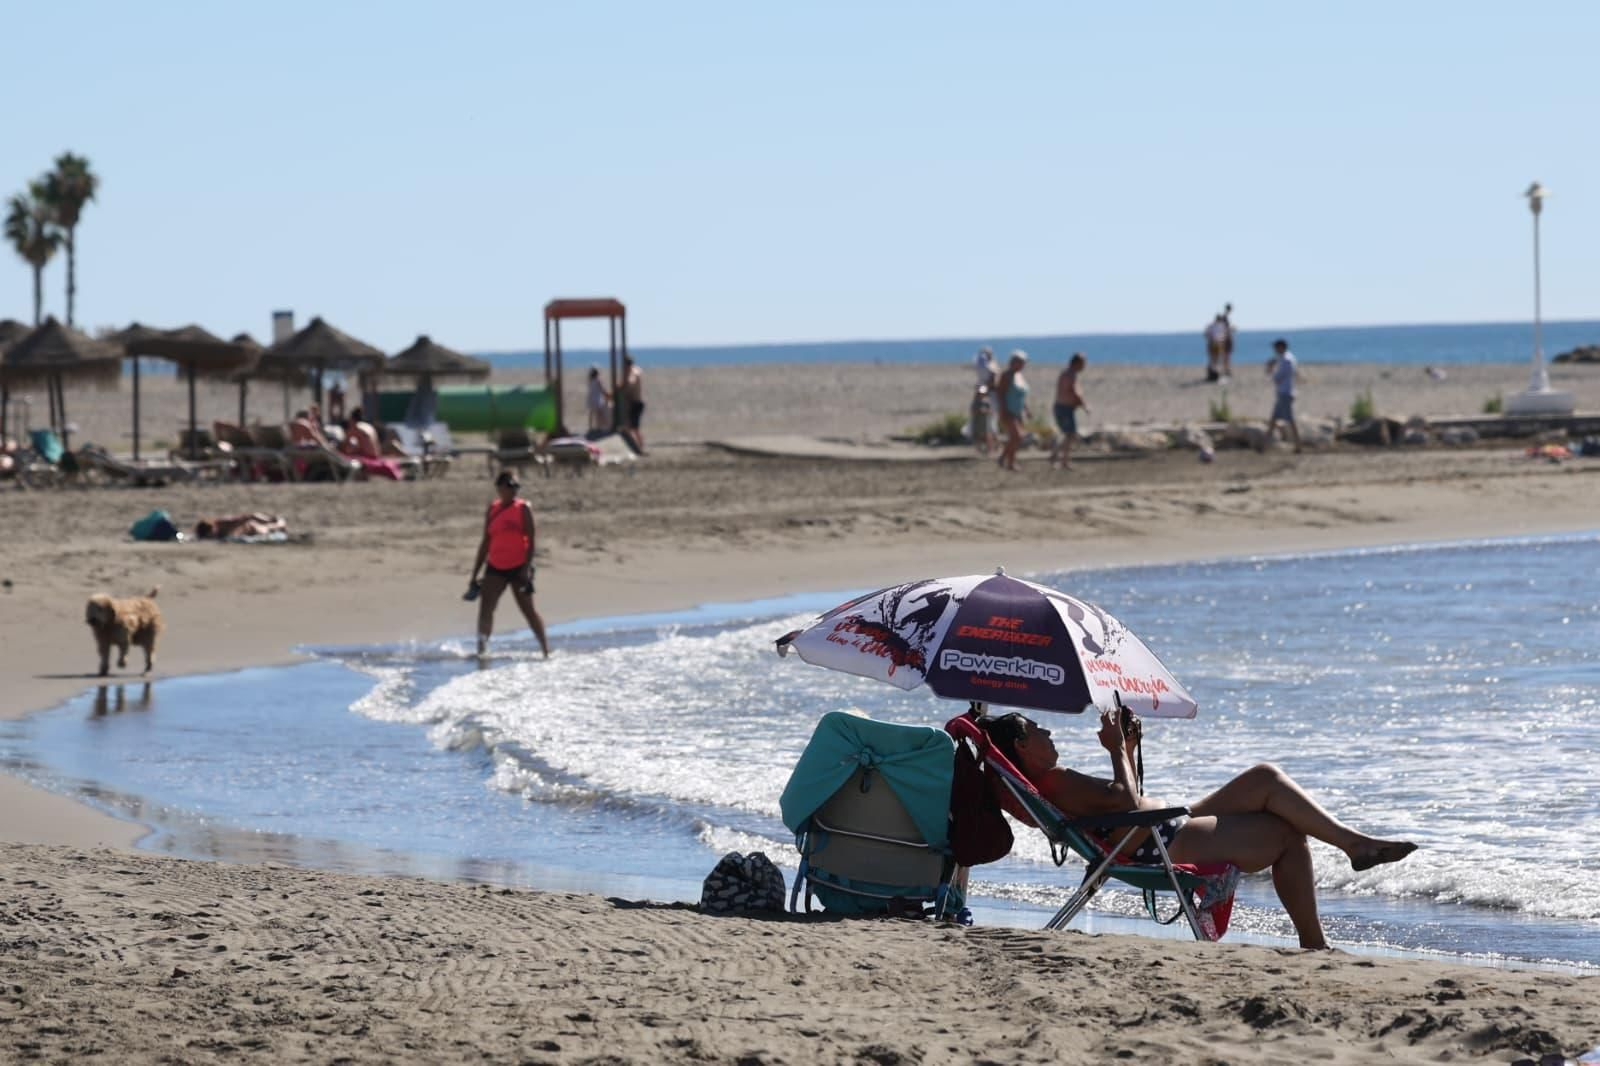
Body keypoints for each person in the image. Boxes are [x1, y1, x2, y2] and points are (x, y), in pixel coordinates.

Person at [979, 710, 1417, 949]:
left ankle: (1353, 844)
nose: (1048, 731)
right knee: (1286, 834)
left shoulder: (1052, 782)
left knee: (1264, 778)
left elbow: (1120, 805)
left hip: (1161, 828)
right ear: (1021, 747)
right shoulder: (1058, 780)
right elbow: (1126, 801)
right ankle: (1315, 939)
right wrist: (1118, 751)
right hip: (1163, 842)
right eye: (1037, 730)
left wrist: (1128, 750)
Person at [468, 471, 549, 660]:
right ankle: (482, 651)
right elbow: (485, 542)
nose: (513, 491)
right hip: (495, 566)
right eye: (509, 487)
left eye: (516, 487)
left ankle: (545, 651)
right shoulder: (493, 509)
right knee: (486, 609)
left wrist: (527, 569)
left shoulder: (523, 508)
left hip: (518, 567)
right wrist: (474, 574)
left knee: (528, 610)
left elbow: (531, 540)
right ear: (499, 488)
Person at [1050, 352, 1090, 470]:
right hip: (1064, 409)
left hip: (1064, 408)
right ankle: (1061, 459)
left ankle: (1059, 457)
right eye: (1083, 363)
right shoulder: (1069, 375)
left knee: (1068, 434)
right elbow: (1074, 392)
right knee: (1070, 434)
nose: (1084, 366)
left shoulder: (1068, 374)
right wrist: (1084, 406)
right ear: (1077, 363)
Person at [994, 350, 1030, 472]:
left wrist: (1026, 409)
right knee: (1016, 436)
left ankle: (1005, 459)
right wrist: (1003, 410)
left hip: (1018, 411)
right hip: (1008, 411)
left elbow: (1020, 395)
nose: (1023, 365)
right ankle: (1009, 461)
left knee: (1016, 438)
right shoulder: (1006, 376)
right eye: (1020, 362)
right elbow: (1000, 394)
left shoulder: (1019, 376)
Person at [1265, 337, 1301, 453]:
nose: (1274, 350)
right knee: (1274, 419)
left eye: (1275, 347)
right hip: (1284, 392)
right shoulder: (1288, 358)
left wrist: (1270, 369)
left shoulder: (1286, 360)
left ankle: (1298, 445)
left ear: (1281, 347)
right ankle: (1265, 446)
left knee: (1289, 420)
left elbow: (1277, 378)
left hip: (1285, 393)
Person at [619, 354, 646, 454]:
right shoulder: (634, 370)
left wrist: (622, 385)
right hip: (633, 403)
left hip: (636, 403)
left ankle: (639, 448)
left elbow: (631, 382)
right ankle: (636, 447)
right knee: (630, 427)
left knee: (634, 428)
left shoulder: (632, 372)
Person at [194, 513, 287, 540]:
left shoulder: (225, 522)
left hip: (251, 527)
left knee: (266, 529)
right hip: (247, 531)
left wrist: (268, 519)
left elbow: (250, 516)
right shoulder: (212, 532)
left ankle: (280, 523)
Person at [586, 366, 612, 433]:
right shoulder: (598, 380)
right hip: (597, 398)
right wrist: (607, 395)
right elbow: (602, 389)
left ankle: (591, 427)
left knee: (591, 413)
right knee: (598, 413)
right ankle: (598, 427)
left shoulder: (590, 380)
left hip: (591, 398)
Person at [1204, 314, 1229, 382]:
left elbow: (1206, 334)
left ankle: (1212, 374)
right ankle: (1214, 374)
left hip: (1213, 343)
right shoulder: (1221, 326)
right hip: (1218, 344)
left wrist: (1210, 338)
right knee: (1216, 359)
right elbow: (1225, 335)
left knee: (1213, 359)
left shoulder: (1211, 325)